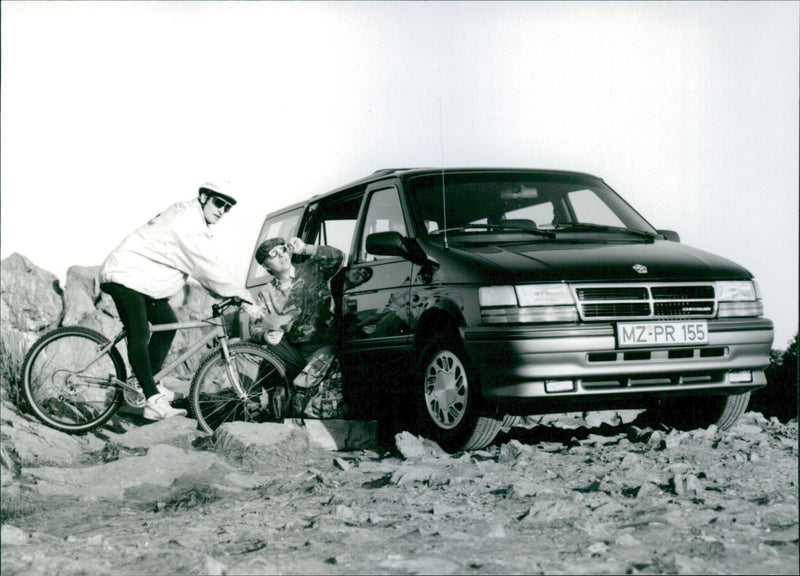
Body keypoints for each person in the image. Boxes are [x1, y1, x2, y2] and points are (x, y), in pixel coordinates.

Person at [99, 180, 254, 421]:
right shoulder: (188, 224)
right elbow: (208, 269)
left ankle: (149, 383)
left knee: (167, 324)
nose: (222, 210)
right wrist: (244, 297)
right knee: (139, 334)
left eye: (228, 207)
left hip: (143, 281)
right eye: (218, 202)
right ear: (203, 197)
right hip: (126, 276)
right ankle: (153, 400)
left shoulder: (193, 217)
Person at [248, 236, 345, 390]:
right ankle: (251, 399)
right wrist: (266, 336)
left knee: (304, 388)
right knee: (249, 347)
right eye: (274, 254)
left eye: (283, 250)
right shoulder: (266, 292)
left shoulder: (312, 269)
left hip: (321, 346)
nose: (281, 255)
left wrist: (306, 248)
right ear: (266, 266)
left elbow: (339, 257)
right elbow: (256, 325)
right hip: (291, 350)